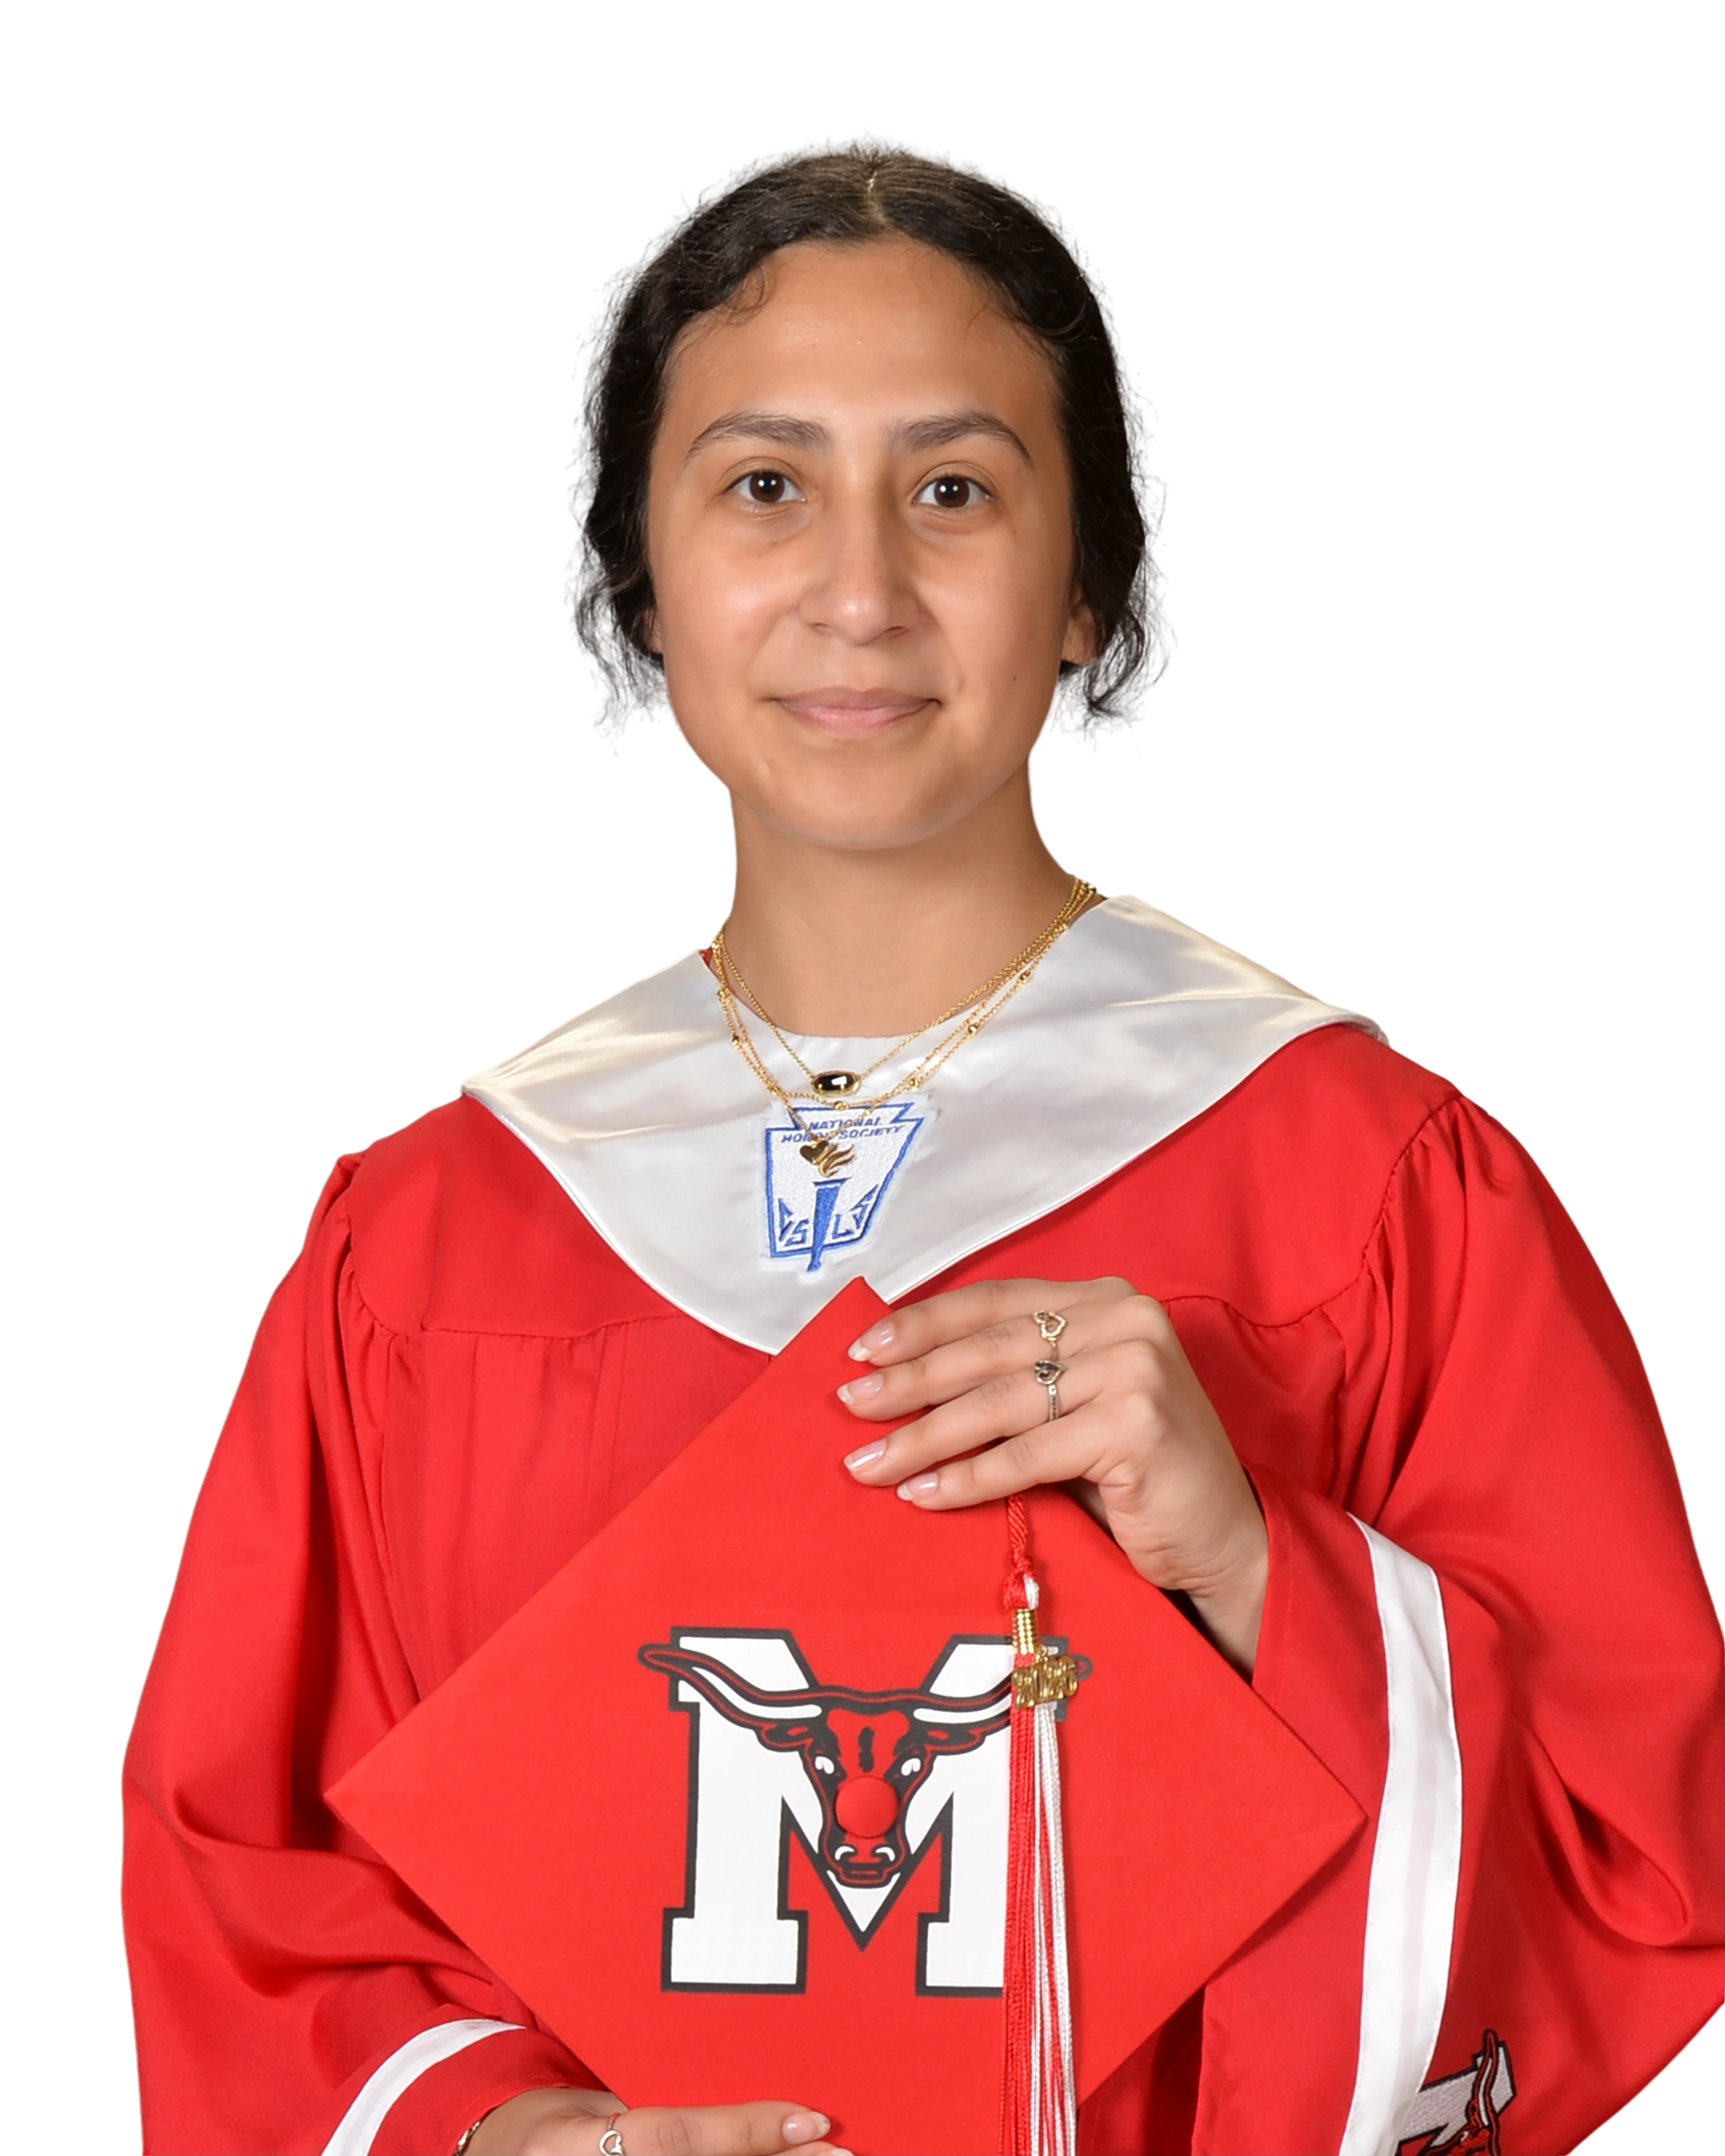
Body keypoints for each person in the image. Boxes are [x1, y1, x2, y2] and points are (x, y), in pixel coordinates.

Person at [120, 128, 1722, 2156]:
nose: (860, 593)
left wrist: (1257, 1568)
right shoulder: (434, 1240)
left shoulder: (1368, 1186)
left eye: (954, 489)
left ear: (1086, 583)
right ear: (644, 577)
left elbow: (1636, 1857)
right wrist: (507, 2135)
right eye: (764, 486)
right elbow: (241, 1883)